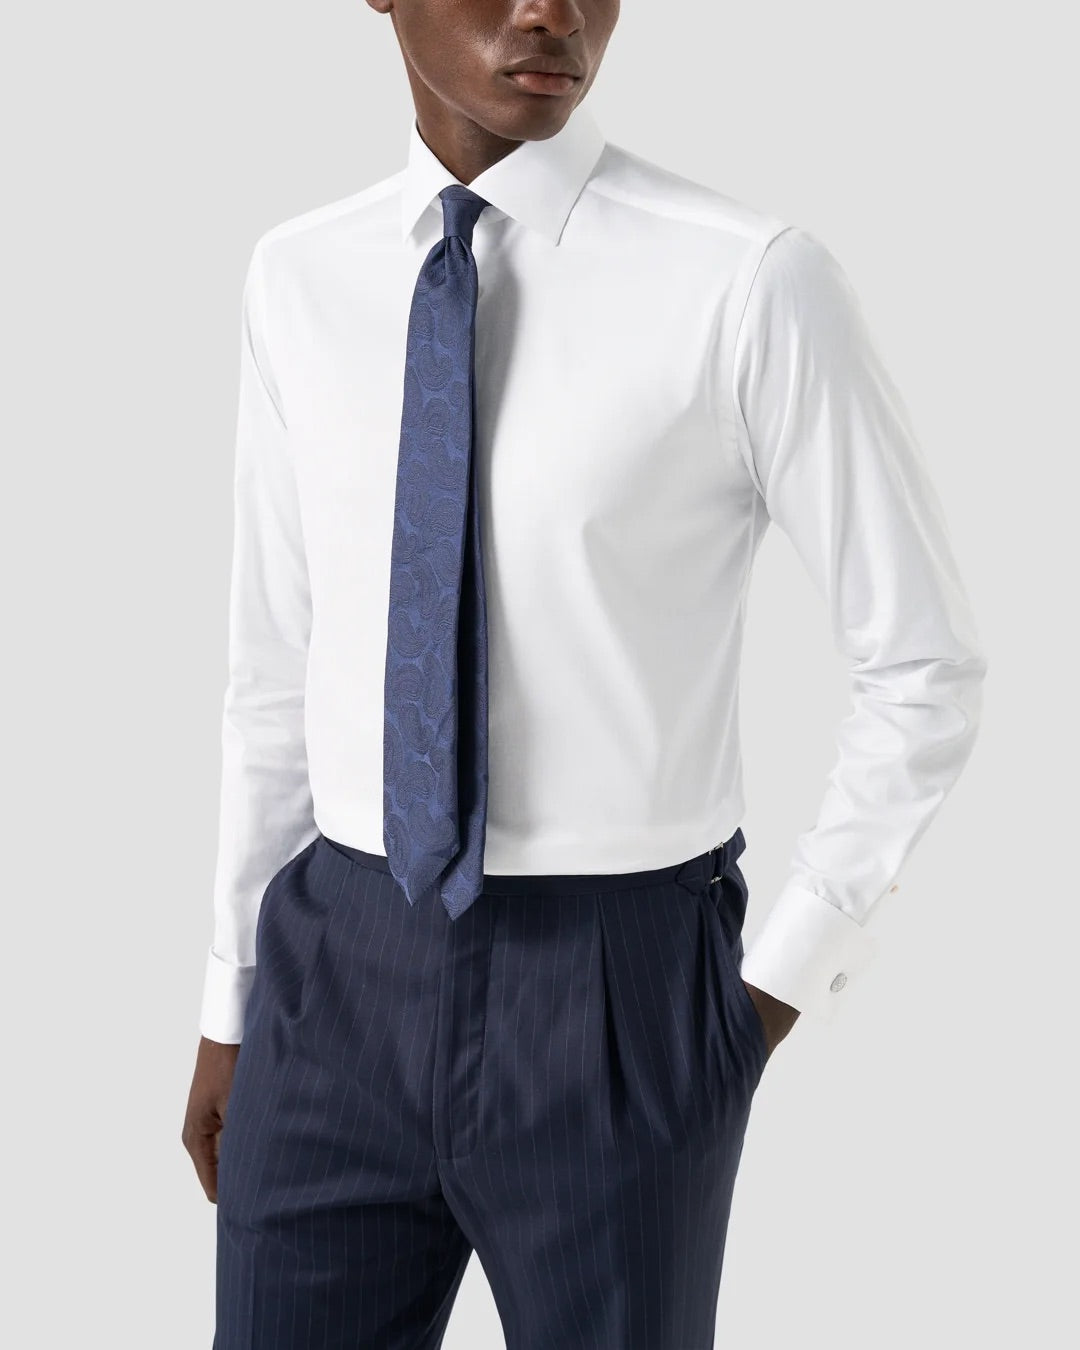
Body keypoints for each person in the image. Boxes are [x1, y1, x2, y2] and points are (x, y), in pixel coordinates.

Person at [182, 2, 987, 1345]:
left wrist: (771, 989)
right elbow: (274, 666)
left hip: (618, 984)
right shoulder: (298, 276)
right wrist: (232, 996)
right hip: (333, 967)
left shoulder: (749, 281)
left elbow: (924, 662)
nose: (549, 9)